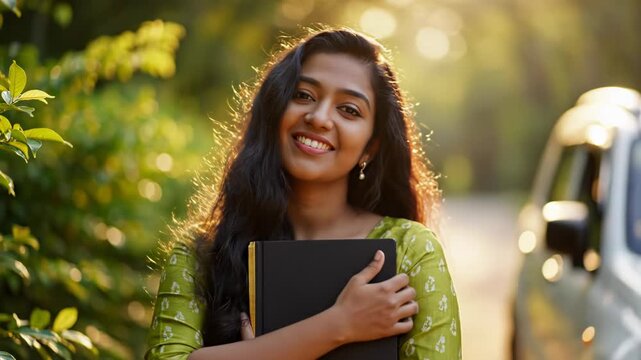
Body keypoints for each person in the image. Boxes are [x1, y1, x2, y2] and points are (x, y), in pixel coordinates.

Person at [146, 28, 461, 359]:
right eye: (304, 96)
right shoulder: (202, 254)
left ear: (371, 146)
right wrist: (338, 326)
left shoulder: (410, 251)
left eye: (349, 110)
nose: (319, 117)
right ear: (274, 109)